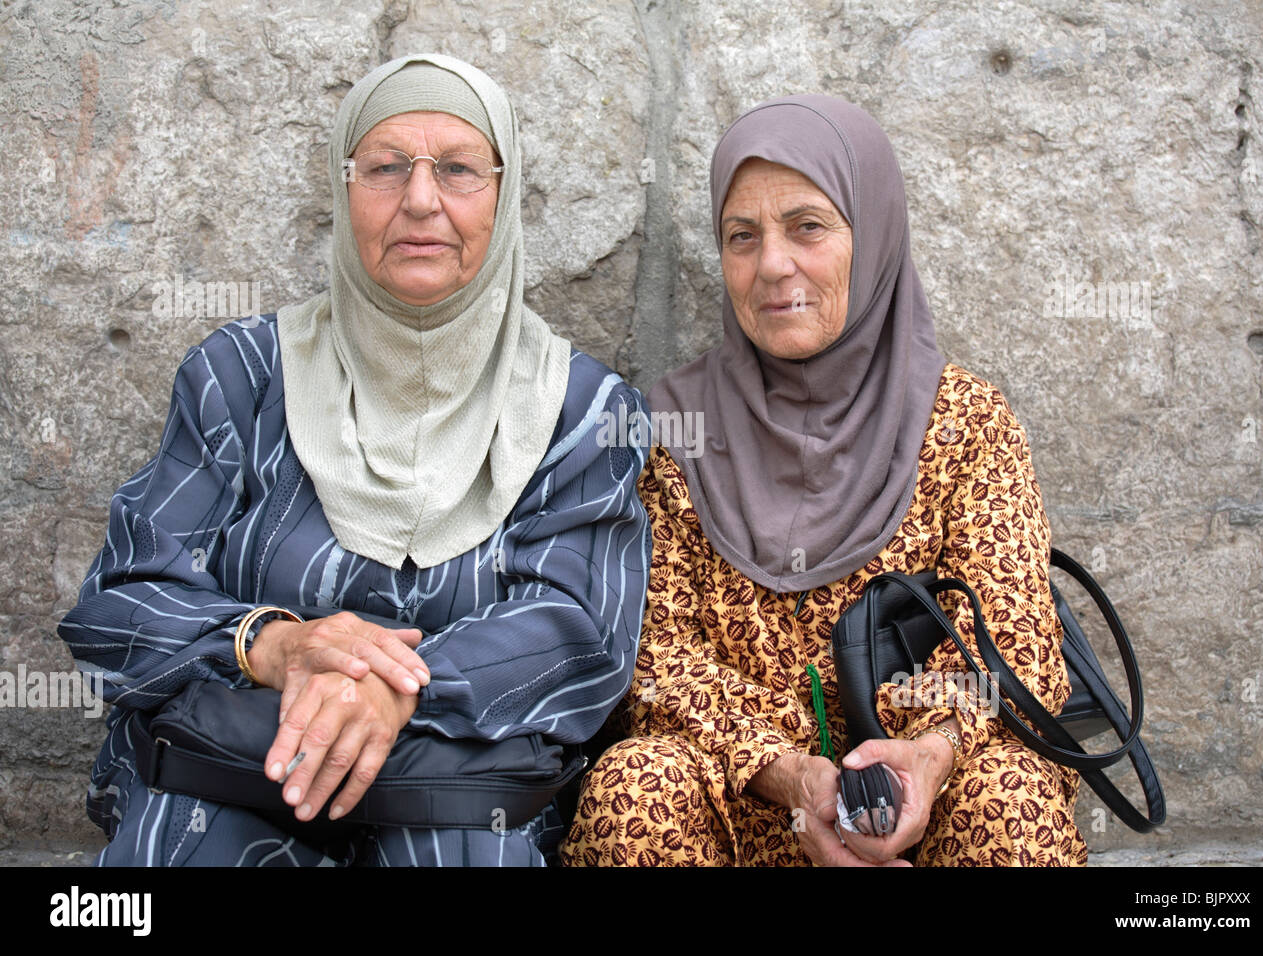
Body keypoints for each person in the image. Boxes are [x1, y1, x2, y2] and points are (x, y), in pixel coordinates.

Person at [58, 53, 651, 867]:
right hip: (237, 774)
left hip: (458, 797)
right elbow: (118, 603)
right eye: (383, 167)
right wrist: (270, 645)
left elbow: (580, 634)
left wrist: (396, 687)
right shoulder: (241, 376)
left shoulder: (580, 412)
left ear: (504, 196)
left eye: (457, 169)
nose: (419, 199)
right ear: (343, 191)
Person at [560, 95, 1088, 867]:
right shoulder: (676, 424)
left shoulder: (968, 423)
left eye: (807, 226)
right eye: (742, 237)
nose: (773, 264)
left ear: (870, 235)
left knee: (1012, 802)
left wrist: (925, 762)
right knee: (635, 786)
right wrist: (792, 779)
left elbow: (1015, 639)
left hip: (922, 802)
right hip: (745, 802)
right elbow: (652, 653)